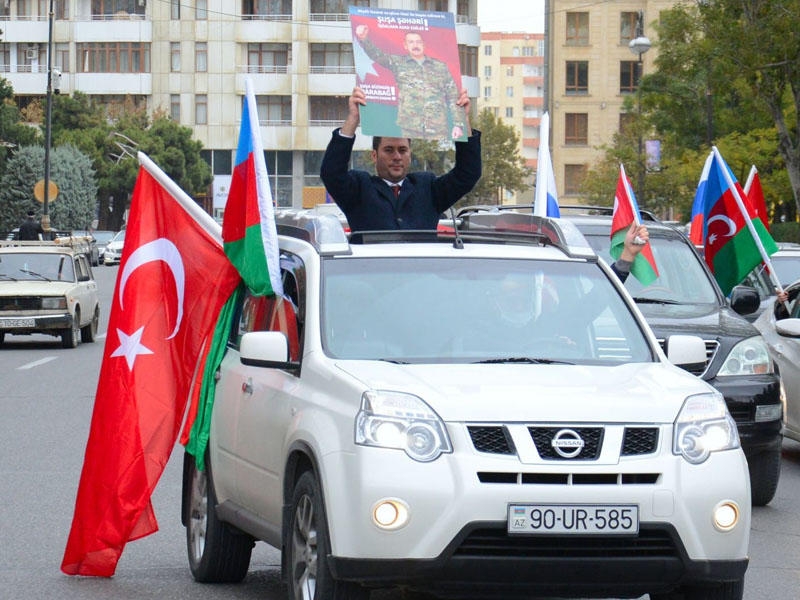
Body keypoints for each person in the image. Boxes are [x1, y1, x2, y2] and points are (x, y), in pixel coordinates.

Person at [319, 86, 481, 232]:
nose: (397, 156)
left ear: (410, 154)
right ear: (374, 155)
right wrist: (353, 118)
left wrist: (462, 120)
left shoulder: (428, 188)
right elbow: (332, 173)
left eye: (402, 150)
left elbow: (467, 174)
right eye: (389, 150)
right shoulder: (359, 189)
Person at [355, 25, 466, 140]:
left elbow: (453, 96)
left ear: (424, 45)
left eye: (418, 42)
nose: (415, 45)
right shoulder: (398, 63)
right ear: (405, 45)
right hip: (409, 128)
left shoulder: (440, 67)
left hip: (437, 128)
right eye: (411, 42)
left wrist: (458, 125)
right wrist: (364, 39)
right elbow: (377, 55)